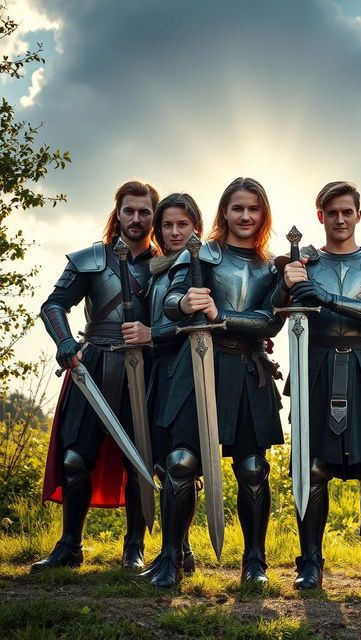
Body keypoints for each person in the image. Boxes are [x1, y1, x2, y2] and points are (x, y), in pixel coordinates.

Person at [277, 180, 361, 593]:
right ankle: (310, 563)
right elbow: (278, 310)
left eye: (346, 211)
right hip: (314, 364)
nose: (339, 219)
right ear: (321, 217)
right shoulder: (306, 263)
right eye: (331, 212)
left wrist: (331, 301)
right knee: (312, 470)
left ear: (358, 215)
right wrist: (287, 281)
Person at [162, 177, 284, 586]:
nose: (245, 216)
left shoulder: (272, 268)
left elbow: (269, 322)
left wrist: (220, 316)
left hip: (249, 370)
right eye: (237, 208)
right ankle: (169, 558)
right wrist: (184, 302)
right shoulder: (202, 254)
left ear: (262, 214)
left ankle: (254, 562)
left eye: (253, 208)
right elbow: (170, 302)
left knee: (252, 469)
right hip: (199, 365)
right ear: (225, 213)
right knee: (181, 463)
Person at [33, 180, 159, 572]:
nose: (136, 218)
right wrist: (65, 342)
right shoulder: (91, 259)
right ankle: (70, 545)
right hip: (91, 366)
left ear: (153, 216)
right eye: (129, 210)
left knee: (140, 462)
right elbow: (54, 304)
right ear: (117, 212)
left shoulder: (166, 265)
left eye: (144, 211)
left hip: (145, 370)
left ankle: (134, 548)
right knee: (74, 459)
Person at [139, 193, 203, 587]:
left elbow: (194, 319)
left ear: (195, 226)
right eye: (168, 225)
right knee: (164, 464)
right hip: (157, 372)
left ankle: (170, 558)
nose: (175, 231)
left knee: (182, 462)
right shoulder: (158, 270)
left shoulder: (199, 263)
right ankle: (180, 550)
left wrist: (153, 333)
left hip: (190, 370)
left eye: (182, 224)